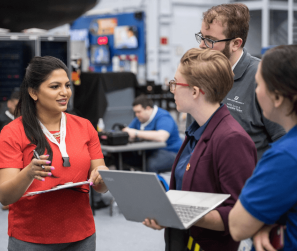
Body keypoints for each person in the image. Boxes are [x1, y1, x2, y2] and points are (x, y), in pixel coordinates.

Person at [143, 48, 257, 251]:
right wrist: (167, 213)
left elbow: (239, 215)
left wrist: (179, 212)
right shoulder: (196, 132)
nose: (172, 89)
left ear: (195, 91)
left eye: (176, 83)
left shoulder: (232, 139)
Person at [0, 56, 108, 250]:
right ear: (33, 92)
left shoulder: (85, 127)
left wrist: (104, 175)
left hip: (81, 236)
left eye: (67, 85)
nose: (64, 92)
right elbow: (5, 197)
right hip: (30, 239)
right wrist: (29, 173)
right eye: (55, 86)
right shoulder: (13, 132)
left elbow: (101, 187)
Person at [186, 3, 285, 160]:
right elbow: (192, 139)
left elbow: (284, 144)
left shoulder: (263, 78)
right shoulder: (200, 75)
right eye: (201, 37)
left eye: (210, 40)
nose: (201, 45)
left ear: (235, 44)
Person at [229, 45, 297, 251]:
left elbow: (238, 226)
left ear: (277, 97)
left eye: (258, 84)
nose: (255, 90)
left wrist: (260, 223)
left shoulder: (284, 157)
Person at [121, 94, 182, 173]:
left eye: (139, 112)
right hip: (150, 151)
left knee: (150, 164)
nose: (137, 115)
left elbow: (162, 136)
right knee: (123, 158)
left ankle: (152, 185)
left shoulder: (163, 117)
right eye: (135, 112)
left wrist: (136, 133)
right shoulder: (139, 119)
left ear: (148, 109)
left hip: (171, 152)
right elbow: (129, 132)